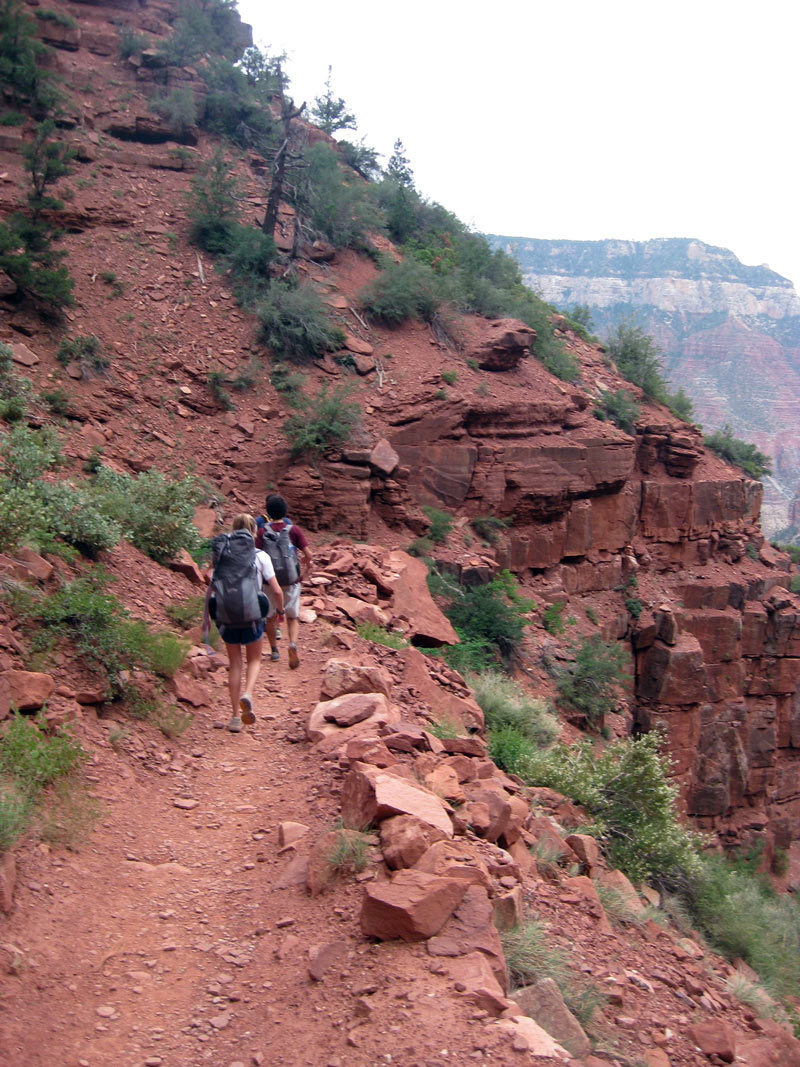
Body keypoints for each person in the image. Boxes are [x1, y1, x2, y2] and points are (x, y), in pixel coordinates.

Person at [215, 514, 285, 733]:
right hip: (253, 615)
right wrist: (280, 611)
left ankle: (235, 717)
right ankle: (248, 693)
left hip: (227, 615)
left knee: (235, 664)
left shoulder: (223, 554)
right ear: (254, 532)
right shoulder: (260, 556)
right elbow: (276, 590)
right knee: (254, 660)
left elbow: (212, 581)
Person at [255, 493, 312, 669]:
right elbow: (309, 555)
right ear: (285, 511)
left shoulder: (262, 532)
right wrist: (305, 572)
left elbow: (256, 556)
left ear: (268, 513)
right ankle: (293, 644)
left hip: (270, 582)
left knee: (270, 617)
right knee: (292, 618)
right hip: (291, 580)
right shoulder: (293, 530)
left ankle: (274, 651)